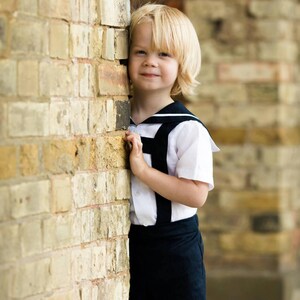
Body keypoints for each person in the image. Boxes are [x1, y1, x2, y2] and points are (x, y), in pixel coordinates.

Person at [124, 3, 219, 300]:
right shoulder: (117, 120)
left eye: (163, 54)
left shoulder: (187, 129)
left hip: (175, 247)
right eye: (141, 52)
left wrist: (143, 171)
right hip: (132, 242)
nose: (150, 61)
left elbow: (195, 194)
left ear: (182, 64)